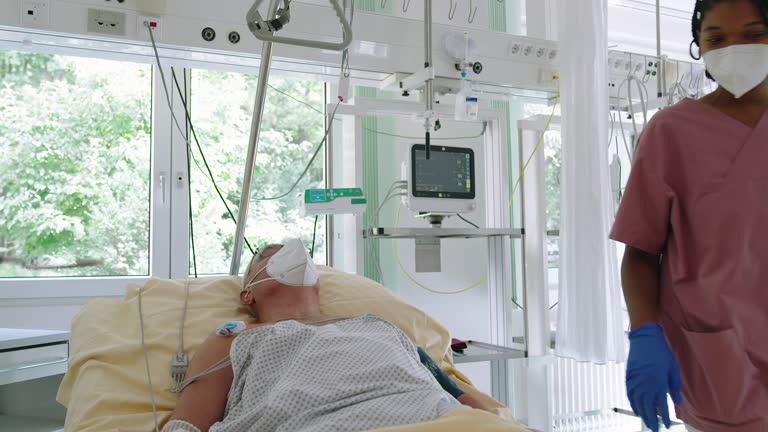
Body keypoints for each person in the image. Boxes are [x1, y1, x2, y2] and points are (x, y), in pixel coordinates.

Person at [610, 1, 768, 431]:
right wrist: (645, 334)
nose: (735, 48)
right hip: (720, 356)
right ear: (700, 48)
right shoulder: (672, 133)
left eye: (754, 35)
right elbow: (641, 252)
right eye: (717, 38)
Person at [161, 239, 488, 432]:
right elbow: (187, 425)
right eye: (271, 254)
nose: (293, 251)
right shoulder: (235, 338)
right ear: (248, 294)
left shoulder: (377, 324)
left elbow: (457, 396)